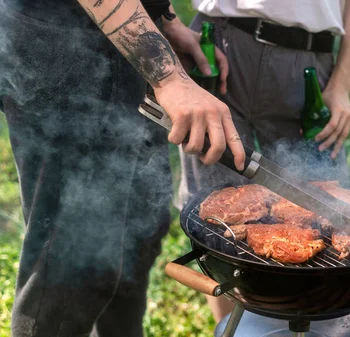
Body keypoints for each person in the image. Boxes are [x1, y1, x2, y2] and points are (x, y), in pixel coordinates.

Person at [0, 0, 242, 336]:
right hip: (65, 52)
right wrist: (170, 77)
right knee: (71, 264)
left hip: (124, 44)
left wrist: (164, 19)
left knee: (136, 238)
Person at [174, 0, 350, 332]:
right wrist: (170, 22)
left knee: (342, 221)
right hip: (217, 47)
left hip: (307, 64)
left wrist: (341, 85)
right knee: (215, 229)